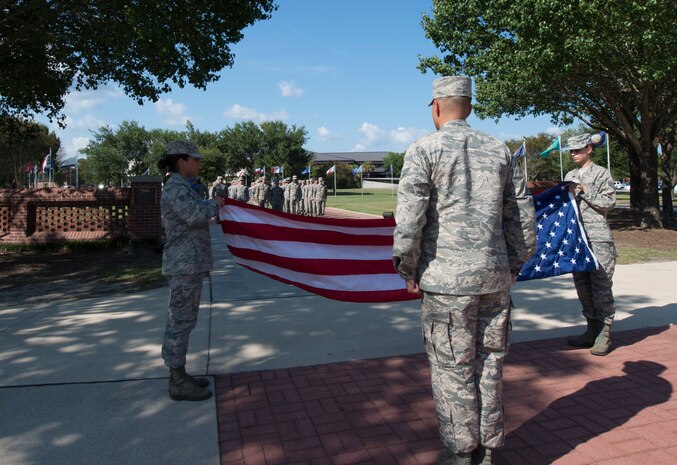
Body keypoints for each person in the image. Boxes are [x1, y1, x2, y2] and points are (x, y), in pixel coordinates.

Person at [392, 76, 536, 465]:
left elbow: (409, 219)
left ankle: (461, 451)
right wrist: (515, 264)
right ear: (468, 106)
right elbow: (521, 214)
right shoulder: (500, 149)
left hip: (446, 282)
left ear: (436, 108)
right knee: (490, 364)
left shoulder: (424, 149)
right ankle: (489, 447)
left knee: (451, 368)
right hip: (493, 278)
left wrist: (407, 266)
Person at [157, 140, 225, 402]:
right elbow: (196, 215)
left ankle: (180, 373)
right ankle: (176, 379)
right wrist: (215, 204)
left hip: (189, 264)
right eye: (194, 159)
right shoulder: (176, 188)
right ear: (181, 160)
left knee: (185, 320)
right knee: (180, 322)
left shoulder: (182, 186)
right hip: (183, 265)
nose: (198, 163)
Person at [564, 133, 617, 356]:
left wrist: (586, 191)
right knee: (583, 286)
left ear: (589, 149)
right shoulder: (570, 175)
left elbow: (609, 203)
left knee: (601, 287)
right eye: (571, 151)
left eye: (577, 150)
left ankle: (604, 334)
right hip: (578, 239)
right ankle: (591, 330)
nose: (573, 154)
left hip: (598, 239)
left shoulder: (601, 173)